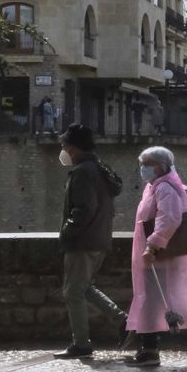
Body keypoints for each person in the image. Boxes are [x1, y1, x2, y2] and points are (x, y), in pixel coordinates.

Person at [123, 145, 187, 368]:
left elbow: (168, 219)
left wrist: (152, 246)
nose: (142, 169)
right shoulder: (157, 187)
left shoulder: (165, 188)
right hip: (160, 254)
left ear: (159, 167)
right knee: (161, 299)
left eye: (146, 165)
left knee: (162, 298)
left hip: (162, 256)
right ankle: (151, 349)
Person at [54, 124, 129, 359]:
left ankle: (82, 344)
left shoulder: (83, 172)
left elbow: (84, 209)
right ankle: (124, 321)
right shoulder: (98, 169)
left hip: (83, 241)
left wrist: (67, 232)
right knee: (84, 288)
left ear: (74, 148)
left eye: (65, 146)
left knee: (72, 292)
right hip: (98, 238)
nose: (63, 150)